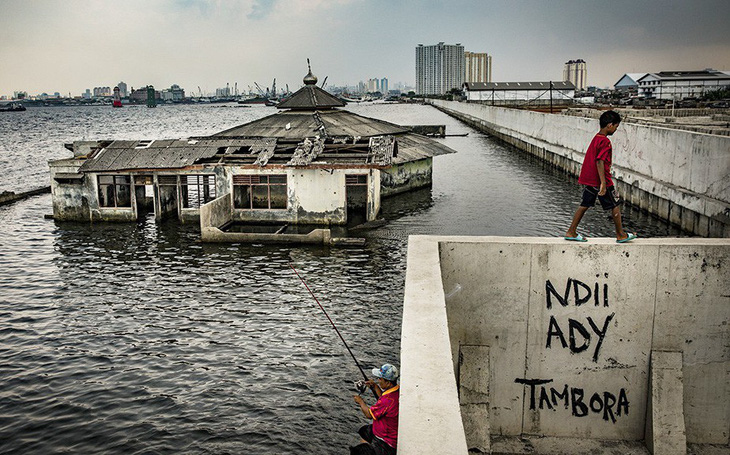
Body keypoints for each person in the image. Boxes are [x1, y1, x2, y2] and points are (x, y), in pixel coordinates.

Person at [565, 110, 637, 243]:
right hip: (601, 180)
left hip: (591, 179)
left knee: (584, 204)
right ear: (610, 125)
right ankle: (621, 234)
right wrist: (603, 183)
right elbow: (600, 161)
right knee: (615, 204)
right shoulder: (605, 142)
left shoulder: (596, 138)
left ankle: (571, 231)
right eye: (616, 126)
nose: (615, 129)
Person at [350, 364, 399, 455]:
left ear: (388, 382)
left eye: (380, 379)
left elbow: (369, 414)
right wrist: (375, 386)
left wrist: (360, 402)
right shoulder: (396, 391)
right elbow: (383, 400)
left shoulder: (387, 400)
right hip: (386, 429)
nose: (378, 380)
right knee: (364, 431)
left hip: (385, 440)